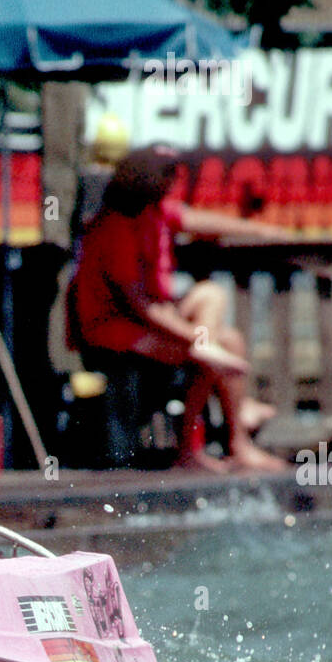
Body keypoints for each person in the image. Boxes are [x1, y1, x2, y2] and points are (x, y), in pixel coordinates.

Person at [69, 145, 287, 473]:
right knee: (203, 351)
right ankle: (190, 449)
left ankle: (238, 444)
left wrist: (262, 230)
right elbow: (140, 308)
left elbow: (198, 220)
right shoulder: (116, 226)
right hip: (114, 330)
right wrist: (196, 340)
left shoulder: (156, 212)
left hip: (153, 319)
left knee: (222, 324)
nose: (174, 181)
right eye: (168, 175)